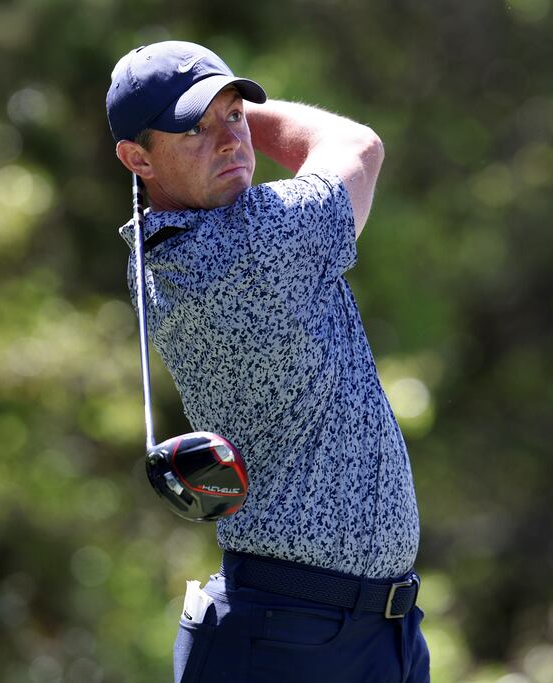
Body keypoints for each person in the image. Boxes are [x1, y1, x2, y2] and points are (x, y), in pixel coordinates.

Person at [107, 40, 429, 683]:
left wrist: (207, 113)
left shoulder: (173, 245)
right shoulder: (249, 245)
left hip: (372, 633)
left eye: (233, 116)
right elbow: (358, 143)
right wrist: (243, 113)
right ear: (137, 158)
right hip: (287, 640)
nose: (228, 141)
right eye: (193, 130)